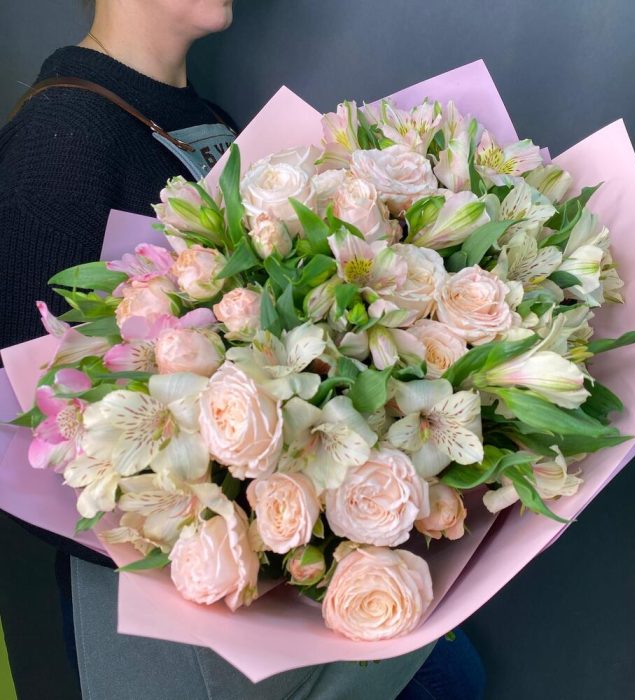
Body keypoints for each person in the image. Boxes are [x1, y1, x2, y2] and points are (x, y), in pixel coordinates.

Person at [0, 1, 486, 697]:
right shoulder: (64, 136)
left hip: (274, 579)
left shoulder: (205, 119)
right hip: (160, 615)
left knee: (453, 676)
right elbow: (24, 421)